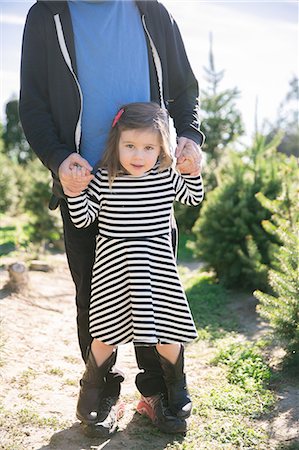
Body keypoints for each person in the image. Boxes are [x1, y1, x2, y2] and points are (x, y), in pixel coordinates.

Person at [19, 0, 205, 437]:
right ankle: (101, 393)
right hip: (84, 182)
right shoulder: (47, 15)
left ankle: (159, 392)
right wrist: (60, 158)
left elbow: (185, 91)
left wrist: (191, 141)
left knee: (154, 291)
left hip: (152, 193)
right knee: (95, 295)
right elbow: (34, 105)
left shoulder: (150, 12)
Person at [67, 101, 204, 433]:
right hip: (114, 272)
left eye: (148, 147)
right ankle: (93, 386)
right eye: (130, 145)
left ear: (161, 148)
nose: (138, 155)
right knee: (105, 333)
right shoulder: (104, 178)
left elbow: (192, 198)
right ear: (116, 143)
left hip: (157, 272)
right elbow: (83, 218)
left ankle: (176, 388)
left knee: (167, 331)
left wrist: (194, 172)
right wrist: (74, 192)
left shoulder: (165, 176)